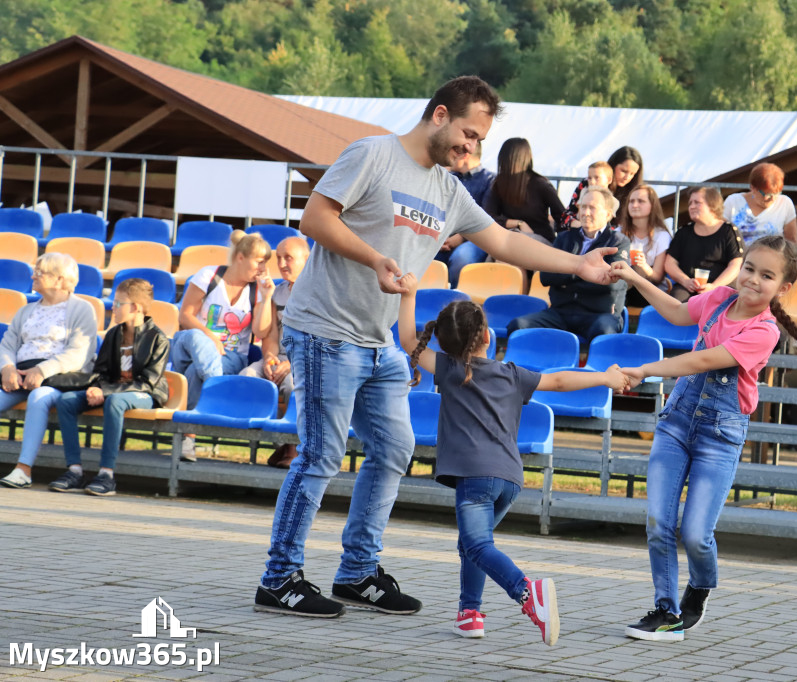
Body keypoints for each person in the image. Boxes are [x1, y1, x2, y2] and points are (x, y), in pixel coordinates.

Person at [254, 76, 618, 619]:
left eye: (480, 142)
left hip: (380, 342)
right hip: (327, 331)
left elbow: (505, 241)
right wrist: (375, 259)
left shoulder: (450, 190)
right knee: (321, 455)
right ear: (441, 115)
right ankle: (280, 577)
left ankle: (357, 572)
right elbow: (315, 217)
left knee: (395, 449)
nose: (471, 149)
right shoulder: (373, 155)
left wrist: (578, 263)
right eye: (468, 135)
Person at [612, 236, 797, 641]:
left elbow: (703, 359)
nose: (753, 280)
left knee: (697, 535)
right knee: (658, 522)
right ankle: (666, 612)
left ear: (783, 288)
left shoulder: (765, 331)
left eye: (767, 276)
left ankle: (699, 586)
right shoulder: (718, 298)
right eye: (750, 268)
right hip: (676, 423)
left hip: (720, 434)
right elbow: (679, 311)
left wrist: (646, 368)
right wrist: (635, 277)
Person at [397, 272, 630, 644]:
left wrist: (409, 293)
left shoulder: (451, 370)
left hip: (474, 478)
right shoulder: (511, 374)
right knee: (474, 544)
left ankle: (526, 593)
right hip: (509, 479)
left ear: (444, 342)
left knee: (476, 545)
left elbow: (408, 339)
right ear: (488, 336)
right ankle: (469, 612)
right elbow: (558, 382)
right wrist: (603, 378)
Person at [49, 278, 169, 496]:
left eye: (118, 303)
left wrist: (105, 392)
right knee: (66, 401)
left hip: (144, 394)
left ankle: (106, 474)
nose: (112, 307)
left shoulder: (158, 339)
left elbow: (147, 382)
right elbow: (102, 372)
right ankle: (74, 471)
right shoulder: (114, 334)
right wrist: (96, 388)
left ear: (135, 307)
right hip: (112, 389)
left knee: (115, 402)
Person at [172, 231, 272, 460]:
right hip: (189, 346)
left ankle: (188, 439)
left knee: (195, 373)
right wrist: (210, 337)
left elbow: (260, 332)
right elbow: (185, 316)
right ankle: (217, 390)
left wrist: (266, 298)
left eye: (265, 263)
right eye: (259, 261)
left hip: (230, 357)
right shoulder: (210, 275)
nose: (263, 268)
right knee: (198, 339)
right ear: (240, 257)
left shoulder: (256, 290)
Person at [0, 253, 97, 489]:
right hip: (20, 375)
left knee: (39, 397)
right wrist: (7, 368)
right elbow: (8, 344)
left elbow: (79, 353)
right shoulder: (26, 310)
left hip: (58, 379)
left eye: (40, 272)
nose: (33, 275)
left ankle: (23, 470)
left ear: (59, 279)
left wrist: (42, 370)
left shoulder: (83, 309)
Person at [506, 186, 629, 341]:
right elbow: (545, 276)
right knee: (518, 326)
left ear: (608, 214)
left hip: (599, 314)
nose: (585, 213)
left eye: (592, 208)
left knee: (604, 331)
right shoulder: (564, 238)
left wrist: (565, 277)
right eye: (583, 207)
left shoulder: (618, 242)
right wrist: (583, 273)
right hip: (560, 313)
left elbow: (612, 282)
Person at [239, 236, 310, 468]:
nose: (281, 264)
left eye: (288, 258)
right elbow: (267, 334)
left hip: (305, 361)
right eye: (278, 258)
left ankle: (293, 449)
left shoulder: (318, 294)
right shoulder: (277, 293)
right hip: (277, 358)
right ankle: (279, 443)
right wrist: (269, 357)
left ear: (306, 259)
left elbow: (318, 338)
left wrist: (291, 364)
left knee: (291, 384)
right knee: (248, 376)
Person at [664, 187, 745, 302]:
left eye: (697, 202)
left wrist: (714, 287)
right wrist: (685, 281)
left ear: (712, 205)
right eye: (690, 203)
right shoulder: (683, 232)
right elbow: (669, 263)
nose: (691, 206)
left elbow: (736, 265)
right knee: (676, 302)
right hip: (687, 287)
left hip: (720, 287)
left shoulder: (729, 231)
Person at [484, 137, 564, 245]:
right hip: (510, 236)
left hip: (539, 239)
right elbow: (487, 216)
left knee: (507, 248)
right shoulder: (499, 184)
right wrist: (518, 223)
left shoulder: (541, 185)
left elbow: (562, 216)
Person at [434, 142, 494, 287]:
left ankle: (458, 305)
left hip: (475, 239)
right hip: (443, 235)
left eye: (454, 151)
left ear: (465, 154)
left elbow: (488, 218)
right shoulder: (447, 178)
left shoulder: (490, 180)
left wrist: (460, 237)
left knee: (461, 259)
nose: (450, 156)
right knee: (420, 252)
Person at [560, 147, 643, 230]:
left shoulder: (634, 194)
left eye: (632, 174)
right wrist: (581, 226)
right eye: (623, 171)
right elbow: (567, 216)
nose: (627, 177)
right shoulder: (588, 184)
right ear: (613, 166)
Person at [722, 163, 797, 246]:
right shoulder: (733, 202)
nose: (772, 198)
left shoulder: (785, 203)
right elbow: (721, 236)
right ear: (753, 188)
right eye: (767, 194)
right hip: (739, 257)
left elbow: (791, 241)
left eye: (777, 193)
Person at [621, 184, 672, 307]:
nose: (634, 205)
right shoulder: (619, 233)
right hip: (624, 285)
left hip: (650, 288)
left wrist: (643, 266)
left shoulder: (661, 235)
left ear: (652, 206)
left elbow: (657, 277)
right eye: (631, 201)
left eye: (641, 201)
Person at [562, 162, 613, 229]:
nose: (592, 181)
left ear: (609, 179)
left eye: (597, 178)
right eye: (589, 178)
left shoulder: (613, 201)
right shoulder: (583, 191)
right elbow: (567, 215)